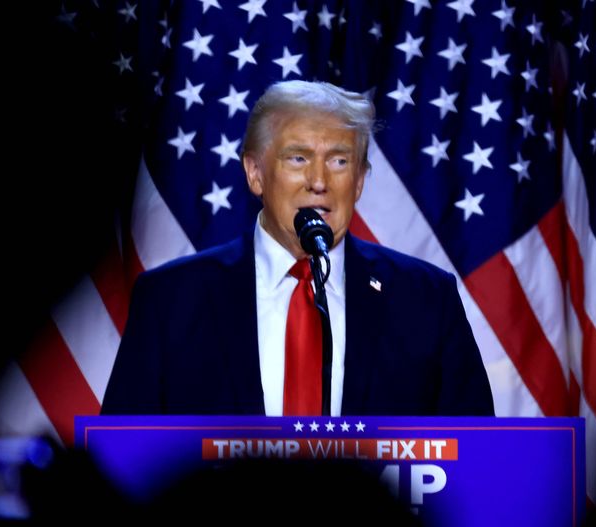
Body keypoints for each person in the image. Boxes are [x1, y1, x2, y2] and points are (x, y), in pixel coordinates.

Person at [101, 81, 493, 417]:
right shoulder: (171, 299)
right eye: (298, 158)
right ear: (255, 174)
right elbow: (122, 458)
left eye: (339, 161)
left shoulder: (425, 298)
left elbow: (478, 458)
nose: (318, 180)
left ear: (358, 181)